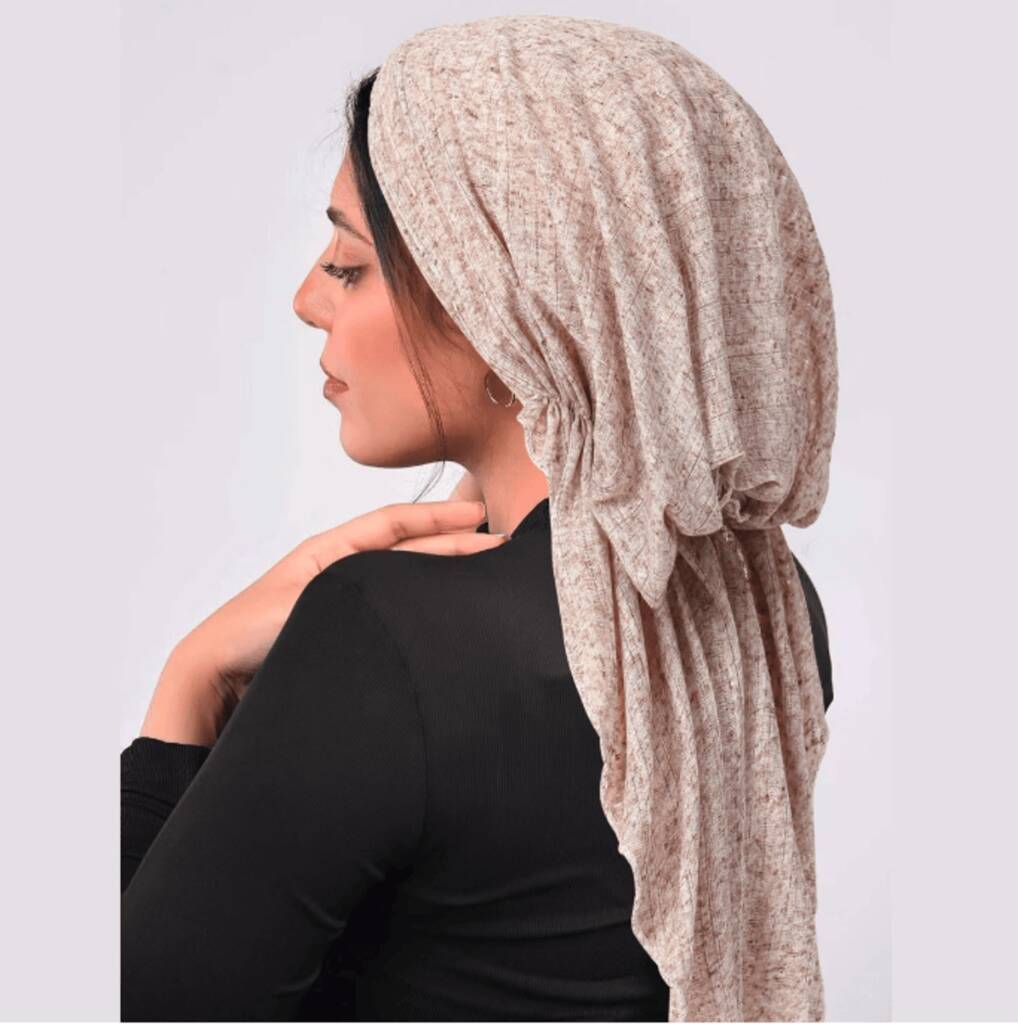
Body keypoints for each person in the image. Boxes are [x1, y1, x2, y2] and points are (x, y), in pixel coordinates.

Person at [122, 16, 838, 1022]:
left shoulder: (388, 634)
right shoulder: (770, 604)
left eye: (348, 265)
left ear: (504, 306)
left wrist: (189, 679)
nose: (306, 299)